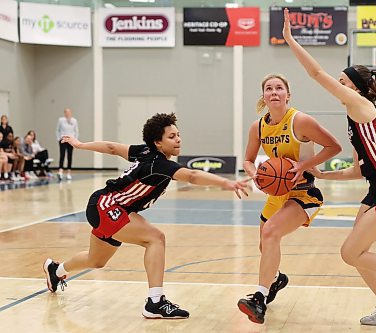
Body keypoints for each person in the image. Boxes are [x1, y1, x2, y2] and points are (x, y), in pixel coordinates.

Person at [282, 8, 376, 326]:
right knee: (360, 252)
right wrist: (322, 173)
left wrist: (291, 41)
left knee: (350, 253)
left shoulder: (362, 106)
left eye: (342, 82)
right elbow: (358, 169)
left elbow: (316, 75)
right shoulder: (354, 118)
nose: (337, 86)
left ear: (357, 88)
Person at [43, 113, 250, 319]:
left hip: (104, 206)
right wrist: (227, 183)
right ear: (158, 143)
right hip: (108, 207)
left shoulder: (145, 151)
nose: (178, 139)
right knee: (155, 238)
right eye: (171, 136)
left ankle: (56, 270)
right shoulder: (158, 163)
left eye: (178, 134)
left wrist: (81, 145)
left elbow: (113, 148)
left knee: (95, 260)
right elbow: (192, 176)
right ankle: (155, 302)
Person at [237, 73, 342, 324]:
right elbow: (248, 160)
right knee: (265, 244)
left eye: (279, 88)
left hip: (303, 192)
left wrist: (305, 165)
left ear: (288, 94)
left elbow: (334, 146)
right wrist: (256, 176)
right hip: (277, 193)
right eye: (269, 89)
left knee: (270, 232)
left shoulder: (300, 120)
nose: (274, 92)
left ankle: (259, 299)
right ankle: (276, 279)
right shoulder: (258, 127)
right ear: (263, 96)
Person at [56, 108, 79, 180]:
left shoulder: (74, 121)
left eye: (68, 112)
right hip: (63, 139)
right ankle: (60, 171)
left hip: (71, 140)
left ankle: (69, 172)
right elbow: (57, 130)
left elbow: (76, 131)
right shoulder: (61, 120)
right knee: (62, 155)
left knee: (70, 156)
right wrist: (59, 139)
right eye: (66, 112)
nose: (67, 113)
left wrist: (75, 140)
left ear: (71, 113)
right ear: (64, 113)